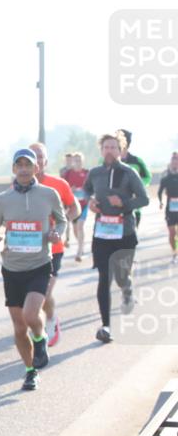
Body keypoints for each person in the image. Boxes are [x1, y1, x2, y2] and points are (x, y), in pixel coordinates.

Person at [0, 149, 66, 391]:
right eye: (19, 165)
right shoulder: (3, 199)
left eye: (28, 165)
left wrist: (57, 232)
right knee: (19, 327)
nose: (24, 169)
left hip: (39, 264)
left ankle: (40, 339)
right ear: (13, 170)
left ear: (35, 168)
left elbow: (61, 220)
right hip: (12, 268)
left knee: (31, 316)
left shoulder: (49, 194)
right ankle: (31, 371)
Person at [84, 133, 150, 343]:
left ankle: (127, 288)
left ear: (120, 149)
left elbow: (144, 199)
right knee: (104, 278)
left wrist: (124, 204)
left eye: (114, 147)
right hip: (102, 233)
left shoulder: (129, 173)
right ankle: (106, 326)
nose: (110, 150)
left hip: (125, 233)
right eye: (106, 147)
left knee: (121, 276)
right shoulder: (95, 173)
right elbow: (85, 191)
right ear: (101, 150)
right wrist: (90, 202)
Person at [30, 143, 80, 348]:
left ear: (45, 161)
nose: (37, 160)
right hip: (28, 250)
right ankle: (39, 322)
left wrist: (64, 221)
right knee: (32, 296)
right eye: (32, 156)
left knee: (45, 293)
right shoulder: (17, 186)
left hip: (53, 248)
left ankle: (50, 320)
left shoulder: (58, 184)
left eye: (40, 156)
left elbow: (74, 207)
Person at [117, 129, 151, 229]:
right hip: (113, 205)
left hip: (134, 205)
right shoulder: (106, 161)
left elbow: (147, 177)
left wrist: (136, 185)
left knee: (130, 233)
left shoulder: (137, 161)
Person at [63, 152, 90, 262]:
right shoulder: (68, 174)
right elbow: (64, 187)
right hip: (73, 206)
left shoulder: (87, 173)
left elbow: (91, 188)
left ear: (82, 161)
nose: (77, 162)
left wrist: (84, 190)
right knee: (75, 229)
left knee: (80, 226)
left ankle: (79, 251)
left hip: (84, 205)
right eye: (75, 160)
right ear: (72, 162)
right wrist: (71, 190)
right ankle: (81, 245)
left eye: (79, 160)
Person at [158, 151, 178, 263]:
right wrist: (160, 202)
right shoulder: (166, 178)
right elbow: (160, 191)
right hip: (170, 209)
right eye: (173, 161)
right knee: (172, 233)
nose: (175, 163)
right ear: (171, 163)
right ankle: (174, 252)